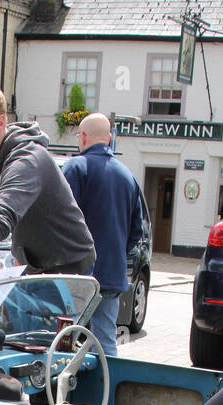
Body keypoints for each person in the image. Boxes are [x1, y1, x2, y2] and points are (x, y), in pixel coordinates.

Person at [0, 83, 94, 303]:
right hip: (36, 267)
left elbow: (2, 212)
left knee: (47, 337)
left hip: (67, 271)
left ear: (0, 122)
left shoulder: (27, 159)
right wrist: (18, 252)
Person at [62, 113, 143, 356]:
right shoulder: (127, 176)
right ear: (109, 139)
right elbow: (136, 231)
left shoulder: (75, 168)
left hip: (77, 275)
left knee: (64, 341)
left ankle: (60, 392)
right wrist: (115, 254)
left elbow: (60, 221)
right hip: (110, 275)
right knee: (106, 341)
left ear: (83, 137)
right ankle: (104, 392)